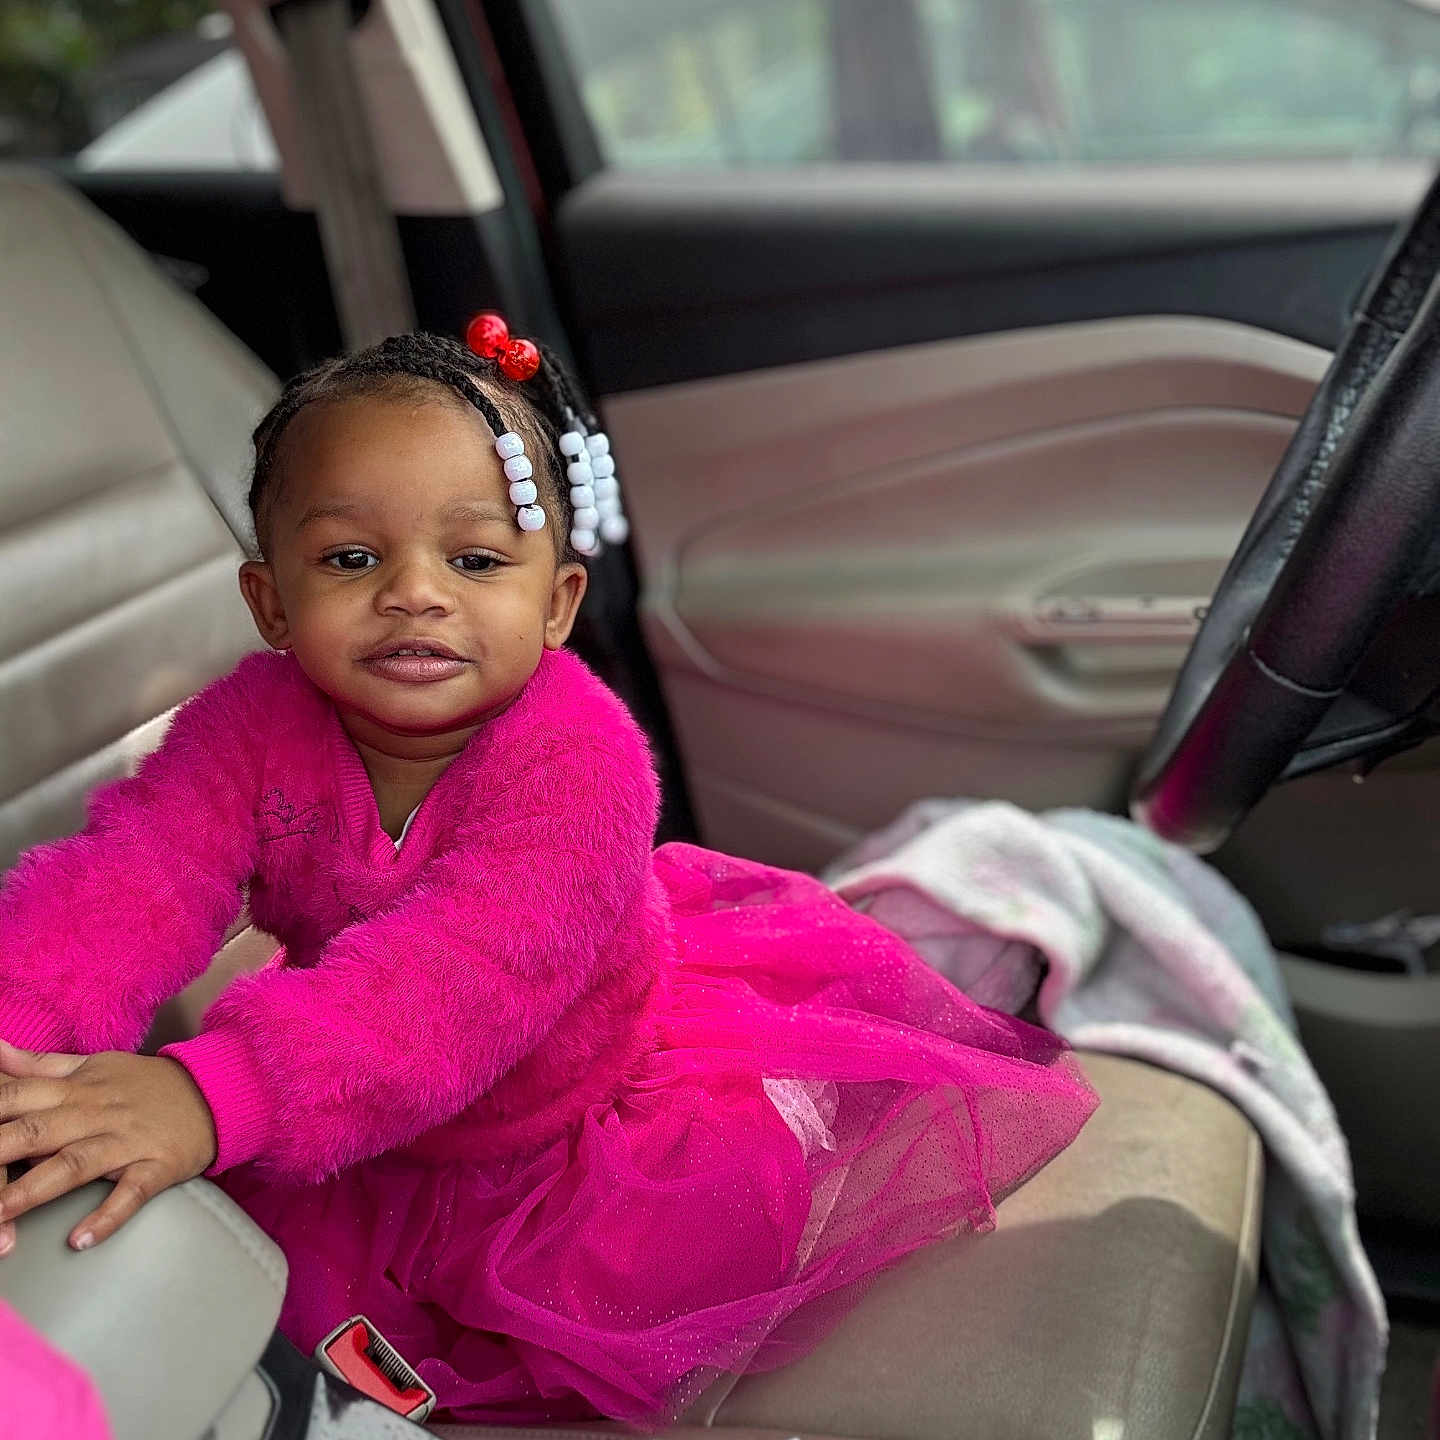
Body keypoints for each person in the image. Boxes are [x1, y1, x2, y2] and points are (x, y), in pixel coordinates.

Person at [0, 323, 1097, 1425]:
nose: (415, 594)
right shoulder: (246, 727)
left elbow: (455, 981)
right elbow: (126, 881)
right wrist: (15, 1034)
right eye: (349, 559)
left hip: (562, 1135)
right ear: (271, 602)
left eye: (475, 561)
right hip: (348, 1096)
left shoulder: (582, 760)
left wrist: (209, 1091)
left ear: (559, 604)